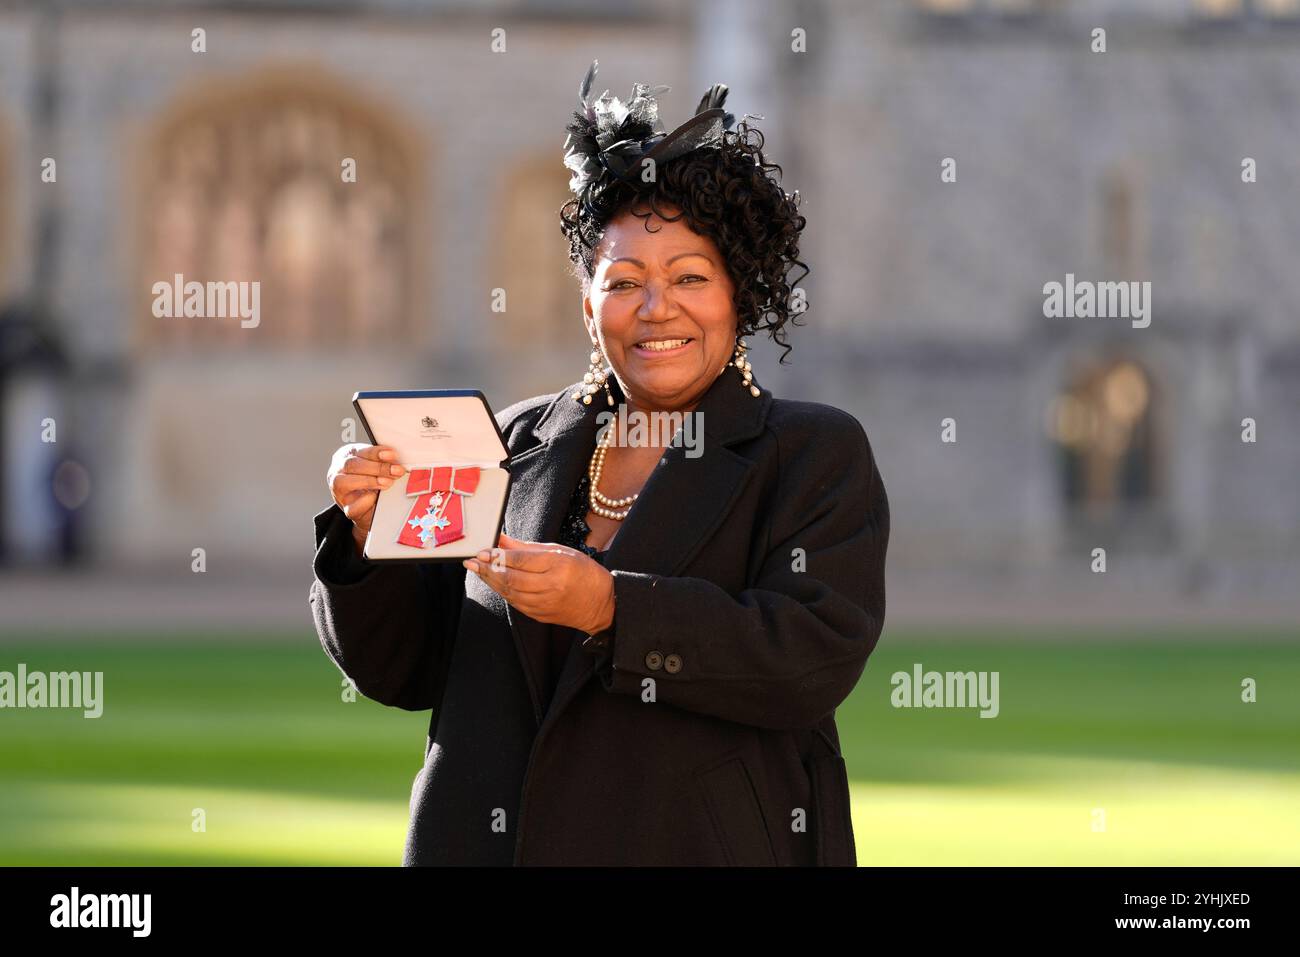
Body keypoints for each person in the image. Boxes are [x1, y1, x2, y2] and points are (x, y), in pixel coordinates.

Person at [311, 60, 890, 865]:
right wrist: (369, 540)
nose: (657, 308)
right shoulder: (510, 441)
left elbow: (808, 656)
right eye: (624, 282)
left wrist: (613, 610)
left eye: (691, 276)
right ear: (588, 302)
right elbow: (406, 667)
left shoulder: (812, 452)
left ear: (740, 295)